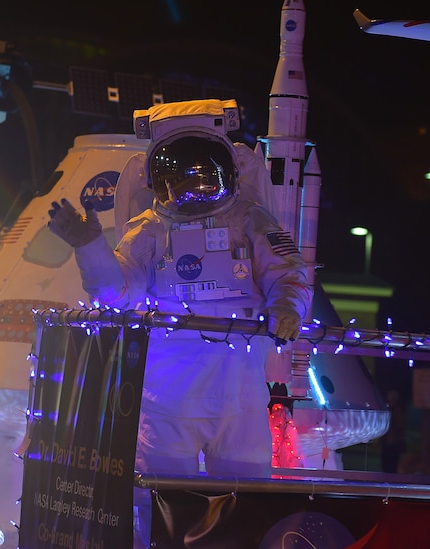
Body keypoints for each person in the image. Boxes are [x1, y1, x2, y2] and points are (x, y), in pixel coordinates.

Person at [47, 99, 312, 545]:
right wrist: (89, 247)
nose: (193, 188)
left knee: (247, 511)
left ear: (227, 172)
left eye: (204, 176)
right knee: (158, 513)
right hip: (168, 400)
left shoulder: (250, 221)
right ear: (158, 182)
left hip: (238, 397)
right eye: (181, 178)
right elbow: (117, 294)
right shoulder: (148, 230)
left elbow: (289, 274)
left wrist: (287, 308)